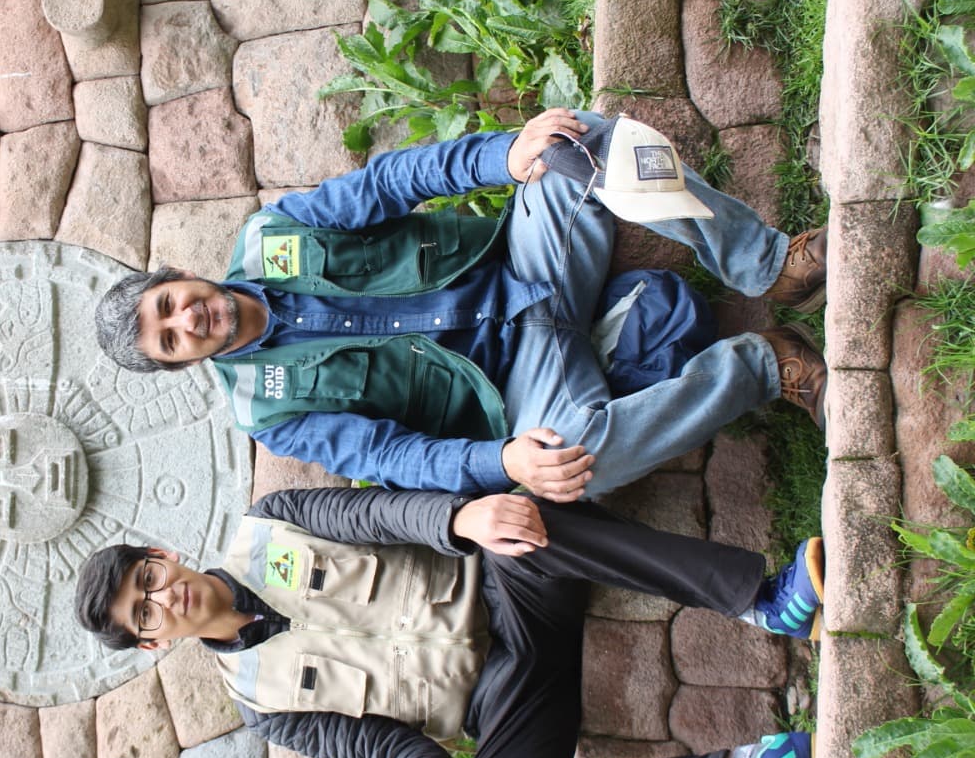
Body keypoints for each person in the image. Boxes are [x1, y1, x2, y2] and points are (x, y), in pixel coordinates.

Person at [94, 110, 829, 502]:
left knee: (578, 140)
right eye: (169, 339)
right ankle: (768, 366)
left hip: (528, 262)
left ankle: (766, 264)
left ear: (180, 275)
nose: (187, 319)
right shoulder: (268, 410)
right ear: (180, 362)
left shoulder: (272, 236)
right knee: (579, 469)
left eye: (170, 302)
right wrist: (502, 459)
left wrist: (505, 156)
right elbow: (390, 457)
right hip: (518, 383)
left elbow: (391, 183)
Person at [73, 485, 823, 758]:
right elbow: (375, 749)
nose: (164, 598)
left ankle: (766, 600)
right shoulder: (261, 706)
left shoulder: (270, 521)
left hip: (511, 594)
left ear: (163, 554)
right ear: (152, 645)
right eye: (146, 614)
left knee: (520, 524)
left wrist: (460, 521)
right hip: (505, 703)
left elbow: (378, 516)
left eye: (150, 577)